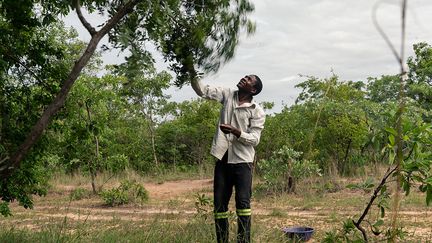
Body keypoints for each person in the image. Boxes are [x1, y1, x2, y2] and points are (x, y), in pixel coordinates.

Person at [191, 75, 265, 243]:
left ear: (253, 90)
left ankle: (243, 241)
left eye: (248, 80)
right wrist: (191, 73)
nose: (243, 79)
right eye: (244, 77)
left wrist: (235, 131)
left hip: (243, 162)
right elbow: (203, 91)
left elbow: (255, 139)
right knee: (219, 206)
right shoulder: (228, 94)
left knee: (243, 205)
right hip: (223, 159)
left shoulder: (256, 110)